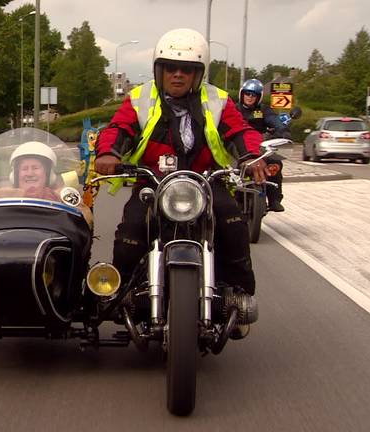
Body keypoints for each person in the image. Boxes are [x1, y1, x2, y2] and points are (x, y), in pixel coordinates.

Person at [95, 28, 265, 305]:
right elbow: (119, 127)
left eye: (186, 69)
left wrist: (250, 156)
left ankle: (239, 295)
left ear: (198, 73)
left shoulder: (218, 99)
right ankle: (120, 295)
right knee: (132, 229)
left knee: (232, 223)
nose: (178, 74)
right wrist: (109, 152)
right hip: (153, 180)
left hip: (207, 180)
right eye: (170, 68)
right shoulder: (140, 97)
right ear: (158, 70)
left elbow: (239, 130)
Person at [237, 79, 288, 212]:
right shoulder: (234, 109)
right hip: (237, 146)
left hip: (258, 146)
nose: (250, 96)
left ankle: (274, 199)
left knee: (275, 162)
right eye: (247, 93)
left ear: (258, 97)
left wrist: (282, 133)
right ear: (242, 94)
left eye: (254, 94)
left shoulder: (264, 110)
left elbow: (276, 123)